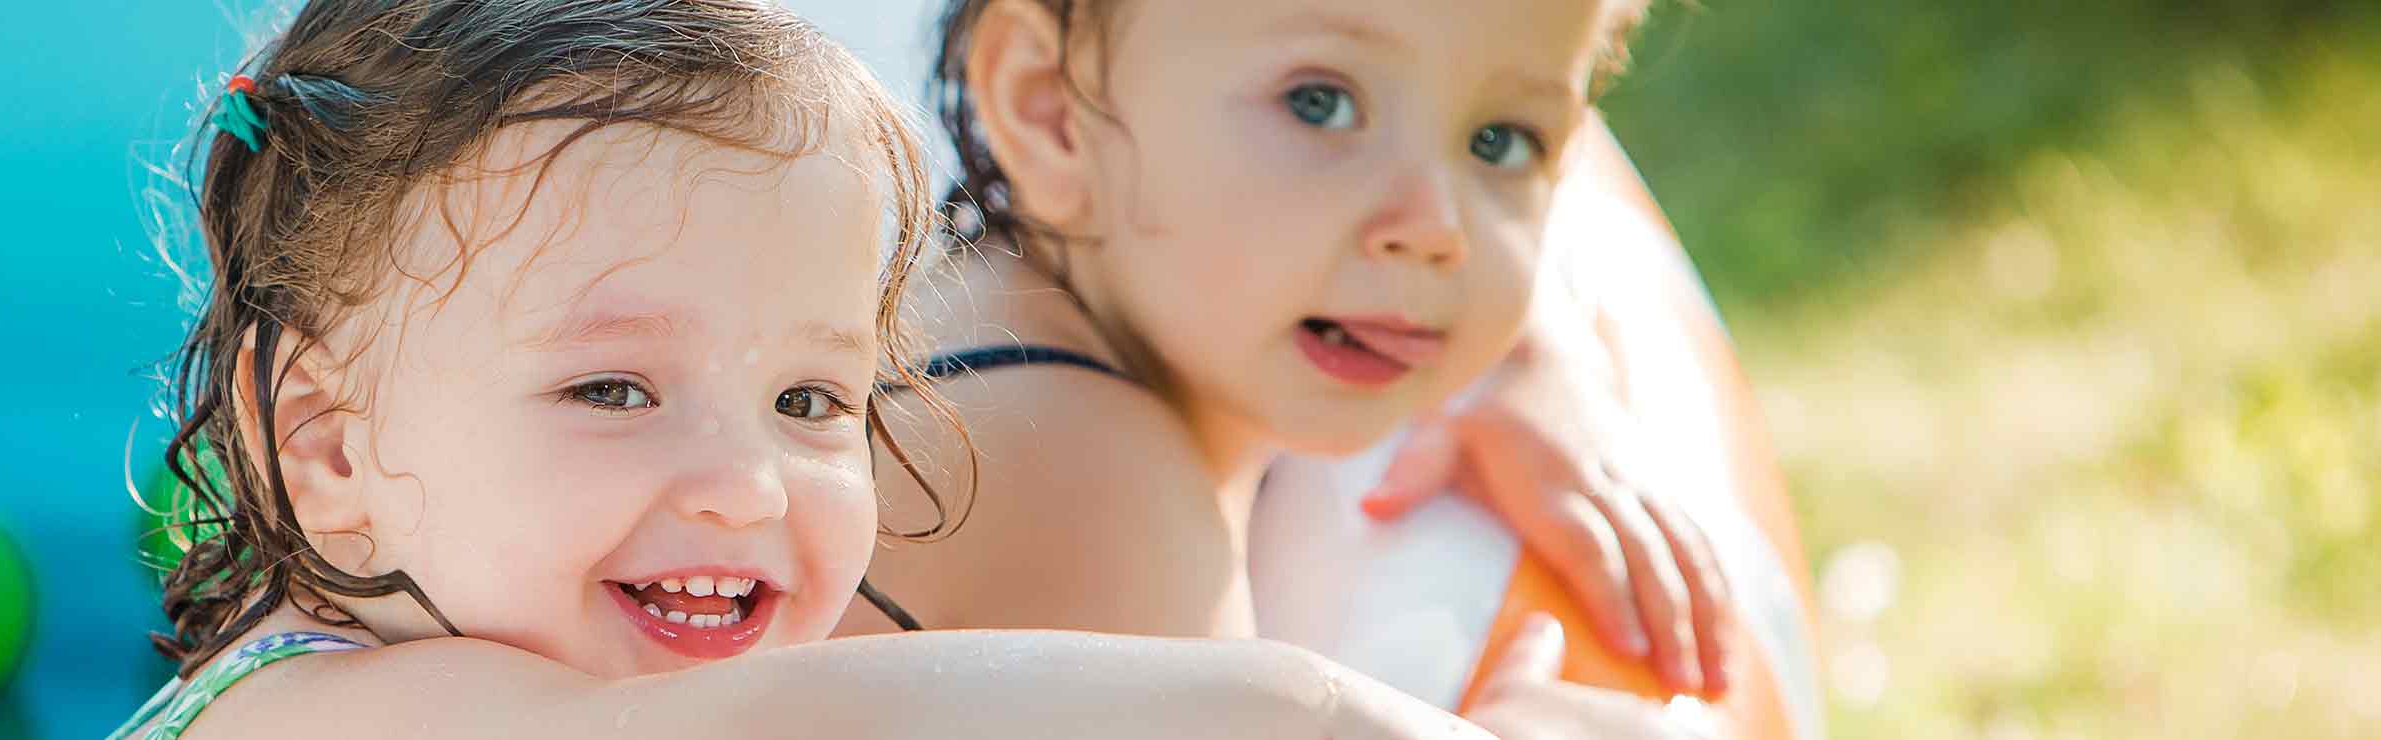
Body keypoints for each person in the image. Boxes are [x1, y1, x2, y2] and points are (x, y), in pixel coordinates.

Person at [117, 1, 1482, 737]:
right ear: (331, 446)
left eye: (811, 401)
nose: (744, 486)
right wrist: (1322, 713)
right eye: (612, 390)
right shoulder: (317, 716)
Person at [850, 0, 1738, 735]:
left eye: (1501, 140)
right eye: (1320, 103)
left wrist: (1536, 351)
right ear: (1049, 107)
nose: (1437, 230)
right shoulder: (1097, 496)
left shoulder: (1001, 301)